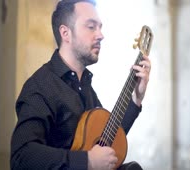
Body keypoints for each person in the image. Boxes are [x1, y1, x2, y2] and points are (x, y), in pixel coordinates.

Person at [10, 0, 152, 169]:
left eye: (100, 27)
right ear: (65, 33)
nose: (100, 35)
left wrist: (136, 98)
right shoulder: (41, 86)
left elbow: (108, 140)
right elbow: (22, 156)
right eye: (91, 27)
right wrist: (87, 161)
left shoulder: (85, 86)